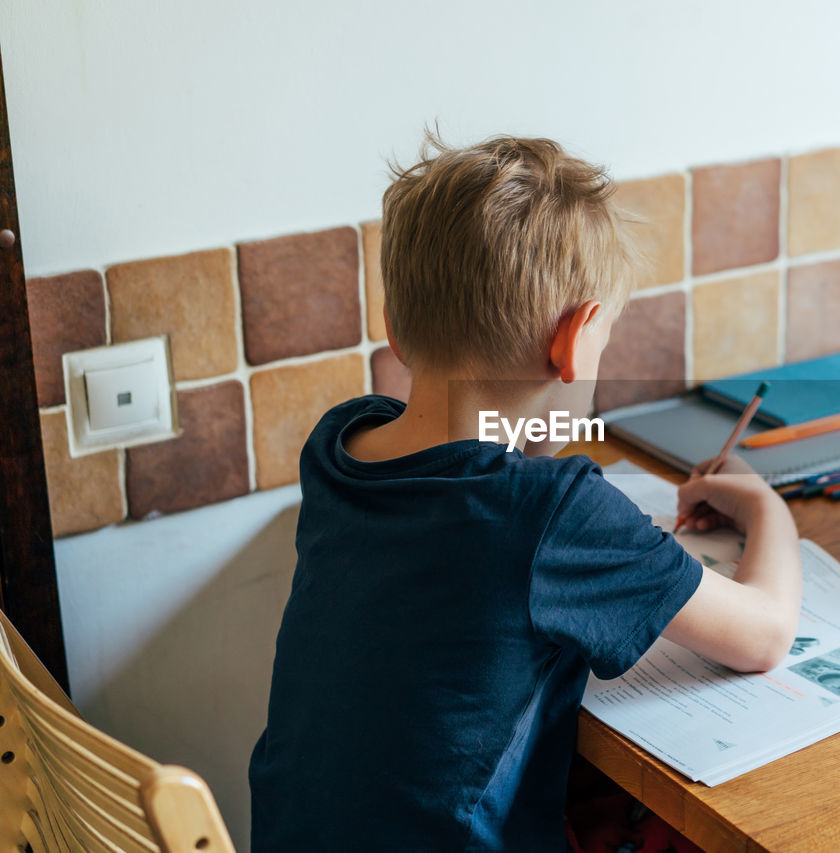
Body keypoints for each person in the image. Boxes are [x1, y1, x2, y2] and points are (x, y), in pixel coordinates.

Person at [247, 133, 802, 851]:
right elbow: (764, 634)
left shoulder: (340, 447)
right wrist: (767, 506)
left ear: (396, 329)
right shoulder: (553, 512)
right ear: (572, 342)